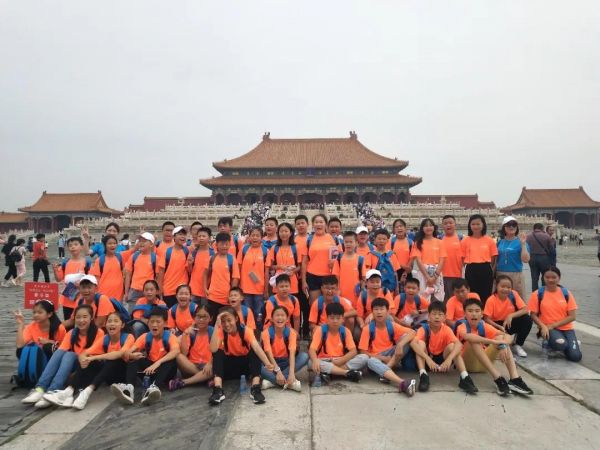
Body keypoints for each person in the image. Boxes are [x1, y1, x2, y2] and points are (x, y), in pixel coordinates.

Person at [43, 311, 134, 410]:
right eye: (109, 321)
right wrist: (84, 361)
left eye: (116, 321)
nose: (112, 324)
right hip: (108, 377)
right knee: (90, 361)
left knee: (111, 360)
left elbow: (119, 354)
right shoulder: (105, 339)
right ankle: (68, 391)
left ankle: (87, 392)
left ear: (122, 325)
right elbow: (84, 353)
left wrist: (92, 358)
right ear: (106, 324)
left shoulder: (128, 337)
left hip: (122, 376)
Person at [21, 304, 104, 409]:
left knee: (69, 354)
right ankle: (40, 388)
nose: (81, 320)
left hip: (89, 366)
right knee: (63, 353)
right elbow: (60, 351)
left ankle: (52, 390)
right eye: (78, 317)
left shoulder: (99, 333)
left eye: (85, 317)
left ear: (91, 318)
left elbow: (92, 354)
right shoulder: (72, 333)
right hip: (76, 364)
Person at [457, 298, 533, 396]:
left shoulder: (483, 325)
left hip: (483, 364)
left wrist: (503, 345)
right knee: (474, 341)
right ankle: (498, 378)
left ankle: (514, 379)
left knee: (500, 338)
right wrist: (493, 341)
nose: (474, 314)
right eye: (470, 311)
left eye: (477, 311)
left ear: (482, 314)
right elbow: (468, 337)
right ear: (464, 314)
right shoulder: (461, 326)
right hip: (468, 364)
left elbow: (507, 336)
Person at [112, 306, 180, 406]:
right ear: (148, 323)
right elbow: (129, 351)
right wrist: (131, 355)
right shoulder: (145, 337)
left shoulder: (170, 337)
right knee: (134, 357)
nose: (154, 325)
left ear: (165, 323)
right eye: (152, 321)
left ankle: (154, 387)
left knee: (170, 359)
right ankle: (129, 389)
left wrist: (158, 363)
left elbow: (176, 351)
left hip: (166, 372)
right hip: (150, 370)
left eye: (158, 322)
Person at [208, 306, 273, 405]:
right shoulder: (220, 331)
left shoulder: (245, 330)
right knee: (218, 352)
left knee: (254, 350)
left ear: (236, 319)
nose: (226, 324)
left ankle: (255, 388)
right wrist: (217, 325)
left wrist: (267, 363)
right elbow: (213, 349)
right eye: (223, 321)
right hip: (229, 368)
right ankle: (218, 390)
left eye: (229, 320)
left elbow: (257, 348)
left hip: (245, 367)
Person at [410, 301, 477, 394]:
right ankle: (423, 375)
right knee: (420, 343)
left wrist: (448, 360)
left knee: (453, 346)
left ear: (445, 317)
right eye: (434, 314)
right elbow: (413, 343)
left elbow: (459, 344)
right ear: (428, 316)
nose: (437, 317)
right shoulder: (424, 328)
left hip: (442, 359)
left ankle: (465, 377)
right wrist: (428, 359)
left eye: (440, 314)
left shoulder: (446, 329)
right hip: (427, 360)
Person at [358, 298, 416, 396]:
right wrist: (383, 358)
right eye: (376, 309)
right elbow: (362, 352)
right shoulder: (367, 329)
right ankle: (402, 382)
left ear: (388, 311)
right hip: (376, 358)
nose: (379, 312)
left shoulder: (392, 325)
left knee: (408, 340)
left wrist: (400, 345)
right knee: (370, 361)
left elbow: (413, 332)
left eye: (382, 309)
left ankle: (386, 371)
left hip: (391, 356)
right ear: (372, 312)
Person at [528, 267, 582, 362]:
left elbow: (572, 316)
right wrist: (542, 326)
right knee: (561, 344)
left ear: (559, 278)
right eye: (547, 277)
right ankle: (551, 344)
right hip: (548, 328)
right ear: (543, 278)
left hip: (566, 328)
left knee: (576, 357)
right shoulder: (537, 294)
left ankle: (568, 344)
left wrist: (553, 325)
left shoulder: (566, 293)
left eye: (554, 277)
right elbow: (533, 315)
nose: (550, 280)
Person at [308, 302, 368, 384]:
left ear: (343, 319)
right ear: (327, 318)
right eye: (332, 318)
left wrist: (341, 360)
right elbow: (312, 349)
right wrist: (315, 360)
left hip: (341, 359)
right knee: (311, 363)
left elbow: (353, 351)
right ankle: (346, 373)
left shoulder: (345, 331)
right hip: (325, 360)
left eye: (338, 318)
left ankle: (331, 373)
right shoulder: (320, 330)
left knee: (364, 357)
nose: (335, 321)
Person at [260, 306, 308, 391]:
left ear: (287, 319)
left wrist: (291, 373)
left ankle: (272, 381)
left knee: (304, 356)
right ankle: (289, 383)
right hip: (271, 364)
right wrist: (278, 371)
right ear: (272, 319)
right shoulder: (266, 333)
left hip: (286, 362)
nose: (280, 318)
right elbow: (268, 354)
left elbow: (292, 354)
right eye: (277, 315)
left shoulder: (291, 333)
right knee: (256, 365)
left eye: (282, 315)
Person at [483, 275, 533, 357]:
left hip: (508, 322)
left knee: (527, 319)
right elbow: (486, 319)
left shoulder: (513, 294)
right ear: (497, 286)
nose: (506, 289)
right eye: (502, 286)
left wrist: (511, 315)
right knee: (498, 342)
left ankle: (517, 344)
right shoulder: (491, 299)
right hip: (495, 324)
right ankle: (502, 347)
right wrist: (499, 327)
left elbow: (525, 309)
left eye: (508, 287)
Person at [169, 305, 214, 390]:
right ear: (194, 318)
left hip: (207, 366)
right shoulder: (191, 332)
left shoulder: (213, 331)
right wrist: (185, 334)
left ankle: (184, 382)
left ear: (210, 318)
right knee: (178, 355)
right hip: (191, 366)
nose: (201, 320)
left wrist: (209, 364)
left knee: (215, 366)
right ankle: (204, 378)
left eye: (205, 317)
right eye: (199, 316)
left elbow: (217, 352)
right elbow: (184, 353)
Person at [53, 237, 93, 320]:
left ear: (81, 246)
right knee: (68, 322)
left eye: (75, 244)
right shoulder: (66, 262)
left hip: (82, 299)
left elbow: (91, 279)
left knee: (82, 322)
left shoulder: (87, 262)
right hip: (67, 299)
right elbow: (59, 279)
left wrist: (81, 284)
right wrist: (55, 270)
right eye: (70, 245)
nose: (73, 247)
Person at [301, 214, 338, 304]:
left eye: (321, 222)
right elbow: (304, 262)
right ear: (313, 225)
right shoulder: (309, 240)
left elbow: (336, 257)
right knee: (315, 304)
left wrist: (334, 263)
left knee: (330, 304)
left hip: (329, 276)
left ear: (325, 224)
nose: (319, 224)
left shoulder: (332, 238)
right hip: (313, 276)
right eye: (316, 222)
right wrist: (303, 281)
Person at [204, 232, 241, 322]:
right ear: (216, 245)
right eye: (222, 244)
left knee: (224, 322)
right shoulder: (212, 258)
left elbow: (235, 278)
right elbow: (205, 274)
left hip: (226, 298)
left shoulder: (232, 259)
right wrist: (205, 288)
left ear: (229, 245)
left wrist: (231, 295)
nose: (224, 246)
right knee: (212, 321)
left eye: (226, 244)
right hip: (212, 296)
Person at [461, 214, 497, 305]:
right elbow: (462, 258)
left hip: (485, 269)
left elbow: (494, 257)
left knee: (486, 293)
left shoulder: (489, 240)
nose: (475, 226)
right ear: (469, 225)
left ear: (483, 225)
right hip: (471, 269)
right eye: (473, 224)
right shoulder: (465, 240)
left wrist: (491, 270)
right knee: (472, 294)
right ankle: (472, 312)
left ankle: (485, 312)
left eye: (478, 224)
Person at [238, 226, 268, 329]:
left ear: (262, 237)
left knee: (258, 314)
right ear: (249, 237)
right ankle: (247, 334)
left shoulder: (265, 251)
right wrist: (238, 285)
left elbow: (266, 272)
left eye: (257, 235)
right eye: (253, 235)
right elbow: (238, 268)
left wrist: (266, 289)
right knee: (247, 313)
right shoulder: (244, 249)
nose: (255, 237)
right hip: (245, 289)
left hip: (259, 289)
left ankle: (258, 334)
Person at [412, 218, 447, 301]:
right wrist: (427, 277)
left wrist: (435, 277)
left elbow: (442, 260)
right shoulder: (417, 243)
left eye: (430, 225)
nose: (428, 227)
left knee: (438, 298)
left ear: (434, 227)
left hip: (437, 272)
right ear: (422, 228)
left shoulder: (440, 242)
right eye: (426, 226)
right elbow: (418, 261)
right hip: (423, 273)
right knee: (423, 298)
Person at [496, 216, 530, 299]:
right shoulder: (500, 242)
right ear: (504, 227)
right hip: (500, 274)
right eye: (508, 224)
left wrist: (523, 244)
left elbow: (525, 260)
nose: (511, 227)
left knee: (517, 299)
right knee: (501, 299)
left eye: (514, 224)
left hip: (516, 274)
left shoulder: (521, 242)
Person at [157, 226, 190, 308]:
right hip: (168, 289)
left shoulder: (187, 251)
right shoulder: (167, 252)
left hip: (183, 290)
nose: (182, 237)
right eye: (180, 234)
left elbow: (189, 270)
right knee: (169, 313)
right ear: (174, 236)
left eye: (184, 235)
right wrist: (160, 288)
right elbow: (161, 272)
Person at [266, 222, 300, 299]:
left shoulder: (296, 247)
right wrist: (279, 267)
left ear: (291, 233)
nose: (283, 233)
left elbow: (300, 266)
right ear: (278, 233)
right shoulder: (274, 248)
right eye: (281, 231)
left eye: (286, 231)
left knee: (291, 303)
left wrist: (293, 271)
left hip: (292, 282)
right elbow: (270, 266)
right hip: (278, 281)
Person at [334, 231, 366, 309]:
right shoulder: (339, 258)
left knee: (356, 312)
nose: (348, 244)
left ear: (356, 243)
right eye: (346, 242)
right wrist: (337, 289)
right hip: (342, 293)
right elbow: (336, 276)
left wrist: (362, 291)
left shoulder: (360, 259)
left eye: (351, 242)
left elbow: (363, 278)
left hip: (356, 294)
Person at [123, 232, 158, 305]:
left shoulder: (155, 258)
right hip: (134, 291)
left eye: (144, 241)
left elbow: (157, 277)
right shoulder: (134, 257)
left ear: (151, 244)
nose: (141, 243)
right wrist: (126, 292)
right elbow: (128, 275)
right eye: (140, 241)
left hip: (149, 291)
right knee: (133, 311)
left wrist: (157, 292)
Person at [89, 235, 124, 300]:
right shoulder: (100, 260)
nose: (112, 245)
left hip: (118, 293)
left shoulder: (120, 257)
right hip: (104, 294)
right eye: (109, 243)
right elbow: (97, 278)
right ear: (105, 245)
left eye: (114, 243)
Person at [294, 214, 311, 338]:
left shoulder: (311, 239)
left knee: (307, 305)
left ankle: (306, 331)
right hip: (294, 277)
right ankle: (296, 331)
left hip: (309, 276)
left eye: (302, 223)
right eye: (298, 223)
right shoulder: (292, 240)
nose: (301, 225)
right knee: (296, 305)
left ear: (307, 224)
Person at [368, 229, 400, 294]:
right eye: (379, 239)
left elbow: (395, 273)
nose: (381, 241)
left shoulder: (392, 255)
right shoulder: (370, 255)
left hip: (390, 288)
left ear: (387, 241)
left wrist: (397, 287)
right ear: (375, 240)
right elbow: (368, 273)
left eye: (384, 239)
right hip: (375, 288)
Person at [526, 223, 556, 291]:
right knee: (545, 276)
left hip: (532, 258)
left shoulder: (528, 236)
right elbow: (552, 249)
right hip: (544, 258)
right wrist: (553, 262)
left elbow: (526, 248)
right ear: (542, 228)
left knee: (534, 277)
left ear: (534, 228)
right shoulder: (546, 236)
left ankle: (534, 293)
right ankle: (544, 292)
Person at [188, 226, 214, 304]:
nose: (201, 238)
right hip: (193, 289)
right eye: (199, 236)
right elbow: (190, 271)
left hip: (206, 290)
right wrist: (190, 264)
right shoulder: (194, 252)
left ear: (209, 238)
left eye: (204, 236)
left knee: (204, 310)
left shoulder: (213, 254)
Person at [440, 215, 463, 302]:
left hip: (457, 275)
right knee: (444, 301)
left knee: (457, 300)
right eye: (445, 223)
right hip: (442, 276)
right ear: (442, 226)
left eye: (450, 223)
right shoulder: (439, 239)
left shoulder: (461, 239)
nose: (448, 225)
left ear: (455, 225)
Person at [390, 219, 413, 292]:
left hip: (407, 272)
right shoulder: (391, 242)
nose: (399, 228)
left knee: (407, 293)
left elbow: (412, 258)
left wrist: (405, 272)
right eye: (397, 227)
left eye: (401, 226)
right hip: (394, 271)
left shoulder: (410, 242)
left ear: (405, 228)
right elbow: (389, 258)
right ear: (394, 229)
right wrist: (402, 266)